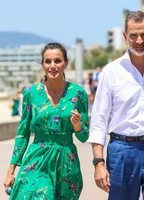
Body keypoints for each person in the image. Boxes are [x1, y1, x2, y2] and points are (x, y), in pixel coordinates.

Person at [3, 42, 89, 199]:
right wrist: (11, 171)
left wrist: (77, 126)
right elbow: (22, 133)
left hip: (66, 162)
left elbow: (84, 137)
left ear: (66, 63)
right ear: (42, 64)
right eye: (47, 61)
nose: (52, 66)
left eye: (57, 61)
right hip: (37, 159)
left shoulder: (78, 93)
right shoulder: (31, 93)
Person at [88, 10, 144, 200]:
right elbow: (99, 120)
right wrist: (98, 162)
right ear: (124, 36)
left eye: (143, 35)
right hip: (122, 150)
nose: (139, 41)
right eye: (133, 35)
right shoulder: (111, 72)